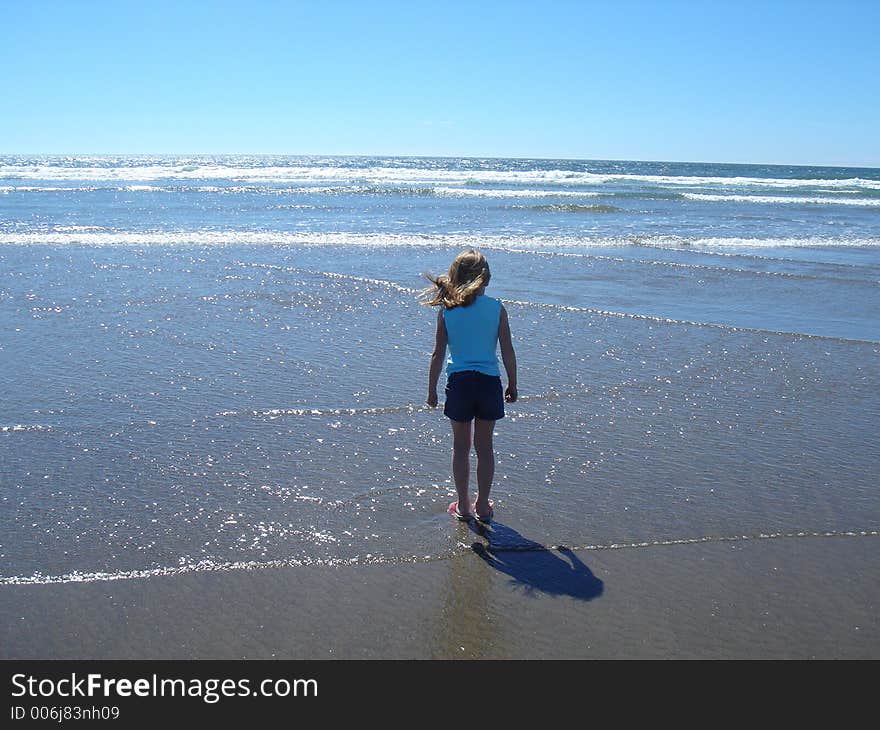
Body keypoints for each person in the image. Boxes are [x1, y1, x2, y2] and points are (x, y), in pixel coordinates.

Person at [421, 249, 517, 523]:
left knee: (461, 447)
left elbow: (438, 354)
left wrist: (432, 390)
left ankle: (463, 505)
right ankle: (483, 505)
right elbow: (507, 349)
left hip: (460, 383)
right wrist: (513, 382)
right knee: (485, 447)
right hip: (488, 382)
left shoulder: (447, 312)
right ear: (485, 279)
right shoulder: (497, 308)